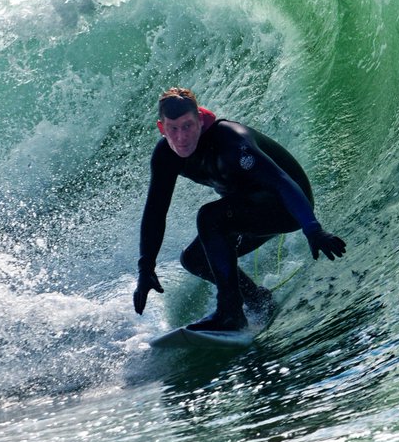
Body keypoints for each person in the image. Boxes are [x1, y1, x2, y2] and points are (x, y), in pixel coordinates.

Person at [133, 87, 346, 331]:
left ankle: (229, 312)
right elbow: (155, 212)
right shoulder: (165, 156)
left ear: (200, 121)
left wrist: (313, 229)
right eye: (173, 129)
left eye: (188, 126)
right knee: (194, 258)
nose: (181, 137)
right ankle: (257, 299)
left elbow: (281, 181)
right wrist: (146, 268)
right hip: (245, 211)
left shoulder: (231, 140)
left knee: (209, 217)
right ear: (162, 128)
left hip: (287, 206)